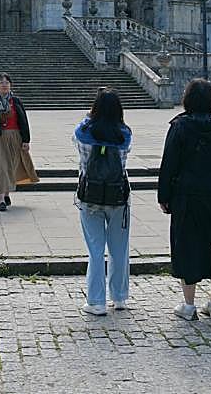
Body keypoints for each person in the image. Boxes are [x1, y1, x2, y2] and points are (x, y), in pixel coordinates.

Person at [158, 78, 211, 321]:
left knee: (187, 247)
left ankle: (189, 305)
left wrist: (164, 196)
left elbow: (168, 165)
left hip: (186, 195)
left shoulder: (179, 127)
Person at [73, 88, 133, 315]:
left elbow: (79, 150)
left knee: (95, 249)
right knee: (119, 248)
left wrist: (90, 117)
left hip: (91, 195)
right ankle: (119, 297)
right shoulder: (124, 134)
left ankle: (96, 301)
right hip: (118, 194)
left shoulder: (83, 132)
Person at [0, 73, 33, 211]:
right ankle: (1, 199)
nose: (4, 85)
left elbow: (23, 120)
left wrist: (26, 139)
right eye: (1, 82)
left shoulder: (16, 101)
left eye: (6, 82)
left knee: (12, 165)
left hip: (15, 136)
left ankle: (7, 193)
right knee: (0, 166)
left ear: (10, 85)